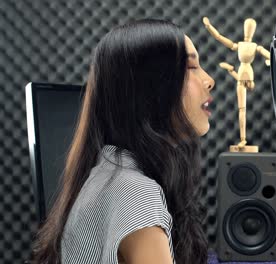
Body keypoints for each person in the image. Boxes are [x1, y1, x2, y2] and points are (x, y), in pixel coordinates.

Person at [31, 18, 215, 264]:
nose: (209, 79)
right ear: (151, 86)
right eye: (191, 68)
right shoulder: (137, 193)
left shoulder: (108, 171)